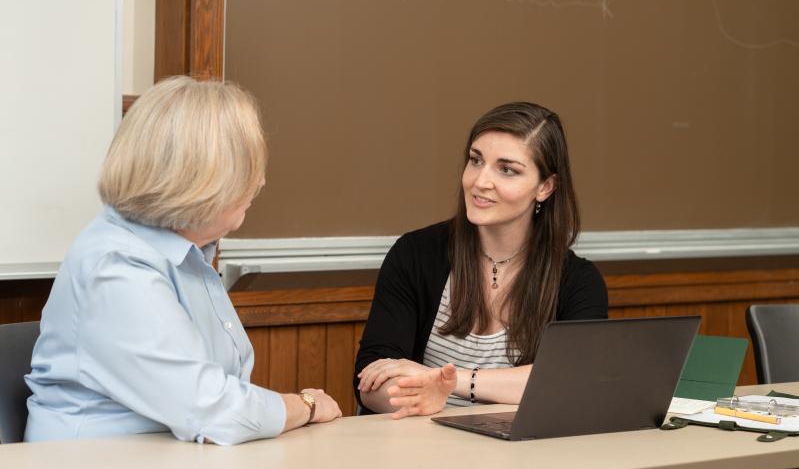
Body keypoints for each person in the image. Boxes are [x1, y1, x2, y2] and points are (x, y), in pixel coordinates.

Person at [24, 76, 341, 444]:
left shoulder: (184, 252)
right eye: (248, 168)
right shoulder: (116, 267)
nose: (261, 182)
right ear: (201, 178)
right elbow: (212, 409)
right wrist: (306, 405)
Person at [354, 102, 608, 418]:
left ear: (545, 187)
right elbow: (371, 379)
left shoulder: (578, 281)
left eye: (507, 169)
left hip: (523, 458)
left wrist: (449, 383)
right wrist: (425, 403)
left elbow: (572, 380)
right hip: (419, 447)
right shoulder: (416, 254)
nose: (480, 181)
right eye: (476, 161)